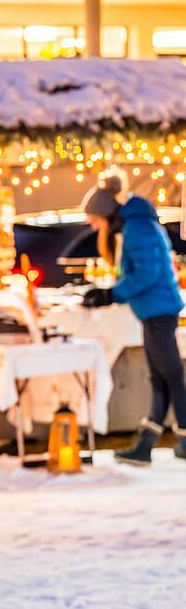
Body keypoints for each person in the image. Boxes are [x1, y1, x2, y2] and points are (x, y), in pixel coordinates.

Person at [82, 172, 186, 465]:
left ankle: (180, 440)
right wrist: (109, 290)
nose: (92, 225)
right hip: (154, 310)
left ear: (106, 213)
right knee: (162, 378)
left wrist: (111, 294)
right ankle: (146, 444)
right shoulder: (136, 225)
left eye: (94, 219)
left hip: (159, 310)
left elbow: (146, 274)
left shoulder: (139, 228)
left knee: (172, 376)